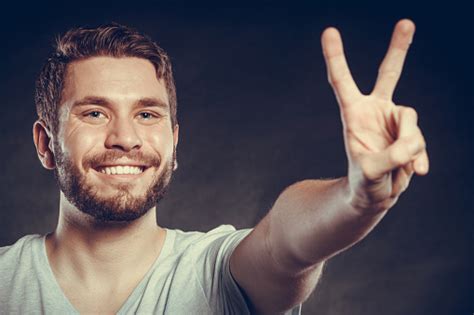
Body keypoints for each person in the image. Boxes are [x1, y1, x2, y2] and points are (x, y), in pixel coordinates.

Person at [0, 18, 429, 314]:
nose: (125, 138)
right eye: (95, 113)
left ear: (174, 141)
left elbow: (284, 245)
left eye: (148, 114)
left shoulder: (217, 273)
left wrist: (354, 199)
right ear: (46, 144)